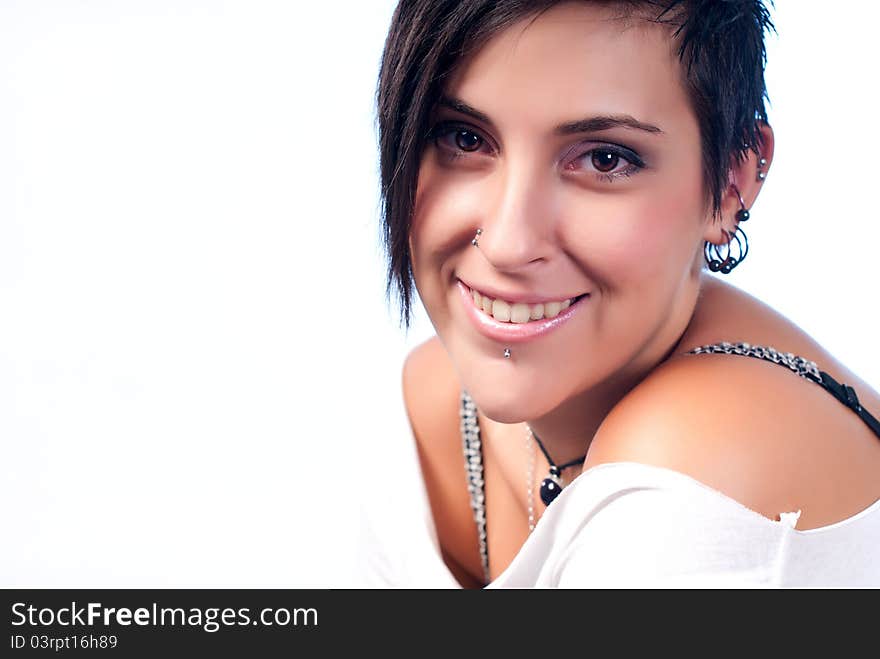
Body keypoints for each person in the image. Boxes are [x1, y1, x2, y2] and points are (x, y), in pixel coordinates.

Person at [360, 0, 880, 587]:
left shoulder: (697, 473)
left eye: (605, 159)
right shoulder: (433, 404)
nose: (507, 243)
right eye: (464, 138)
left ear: (733, 180)